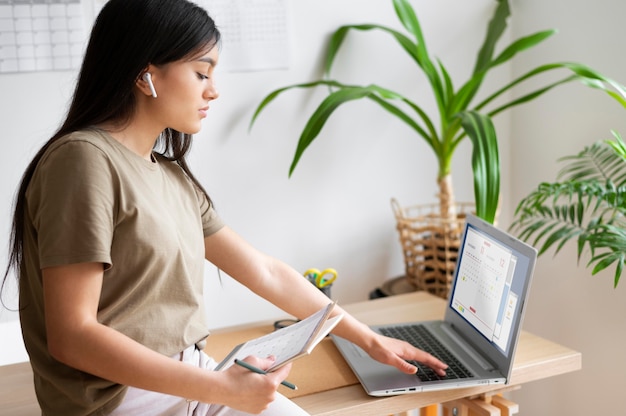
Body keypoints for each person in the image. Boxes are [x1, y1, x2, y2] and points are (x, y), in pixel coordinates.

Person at [1, 0, 447, 415]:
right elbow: (72, 337)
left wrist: (368, 339)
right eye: (201, 72)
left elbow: (265, 271)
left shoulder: (169, 174)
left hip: (187, 377)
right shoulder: (83, 161)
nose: (214, 91)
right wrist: (221, 389)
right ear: (145, 75)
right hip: (122, 400)